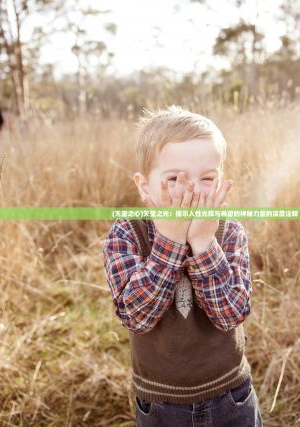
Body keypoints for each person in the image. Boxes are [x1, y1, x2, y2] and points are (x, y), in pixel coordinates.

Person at [102, 105, 263, 426]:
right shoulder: (127, 233)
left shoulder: (228, 232)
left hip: (230, 394)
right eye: (174, 177)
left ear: (220, 183)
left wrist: (204, 244)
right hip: (162, 403)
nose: (191, 190)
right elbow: (137, 317)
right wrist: (170, 242)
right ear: (144, 186)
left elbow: (232, 313)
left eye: (206, 178)